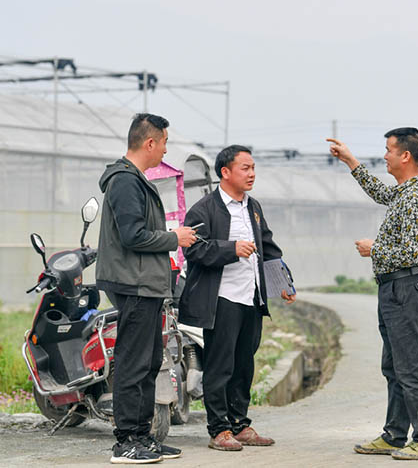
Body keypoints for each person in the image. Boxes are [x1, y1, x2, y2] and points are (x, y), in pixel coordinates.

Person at [327, 128, 418, 461]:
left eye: (389, 150)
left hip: (405, 286)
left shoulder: (416, 197)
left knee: (410, 367)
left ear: (405, 155)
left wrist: (376, 249)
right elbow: (379, 192)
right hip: (392, 287)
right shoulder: (404, 192)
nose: (385, 155)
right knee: (394, 366)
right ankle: (395, 434)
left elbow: (413, 252)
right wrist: (350, 161)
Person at [179, 145, 295, 452]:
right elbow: (193, 249)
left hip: (251, 297)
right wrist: (231, 249)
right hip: (222, 299)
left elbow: (268, 247)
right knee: (220, 365)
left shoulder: (252, 206)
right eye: (245, 168)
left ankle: (240, 424)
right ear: (225, 172)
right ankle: (219, 429)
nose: (252, 173)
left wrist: (282, 282)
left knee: (244, 363)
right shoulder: (204, 209)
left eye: (253, 167)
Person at [96, 113, 198, 464]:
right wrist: (175, 237)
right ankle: (125, 441)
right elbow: (132, 235)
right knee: (133, 363)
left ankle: (143, 436)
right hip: (134, 283)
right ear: (150, 142)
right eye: (165, 142)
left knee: (149, 360)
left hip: (146, 285)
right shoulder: (125, 181)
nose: (165, 150)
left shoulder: (135, 180)